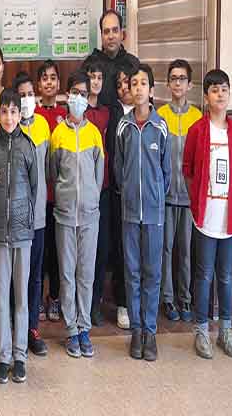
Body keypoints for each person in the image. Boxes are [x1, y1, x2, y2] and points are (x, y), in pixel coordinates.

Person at [183, 69, 232, 360]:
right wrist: (197, 203)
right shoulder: (197, 130)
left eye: (224, 89)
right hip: (205, 216)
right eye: (215, 90)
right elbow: (188, 170)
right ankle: (201, 330)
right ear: (206, 97)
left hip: (228, 217)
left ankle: (226, 331)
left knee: (226, 276)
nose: (220, 94)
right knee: (204, 274)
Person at [0, 89, 46, 384]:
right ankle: (4, 356)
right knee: (1, 297)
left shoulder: (28, 146)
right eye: (4, 111)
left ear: (20, 113)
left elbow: (35, 189)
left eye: (13, 111)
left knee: (21, 297)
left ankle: (20, 356)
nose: (9, 117)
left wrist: (25, 221)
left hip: (23, 233)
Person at [114, 64, 170, 362]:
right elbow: (119, 167)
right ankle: (136, 331)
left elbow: (166, 172)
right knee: (132, 272)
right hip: (129, 212)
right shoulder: (123, 126)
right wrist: (128, 192)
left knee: (153, 273)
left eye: (143, 83)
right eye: (133, 83)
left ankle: (151, 331)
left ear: (151, 90)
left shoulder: (160, 126)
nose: (138, 88)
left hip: (154, 213)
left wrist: (155, 195)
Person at [49, 71, 104, 359]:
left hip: (90, 216)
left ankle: (84, 328)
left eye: (83, 94)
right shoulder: (58, 134)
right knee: (67, 274)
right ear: (68, 95)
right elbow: (53, 172)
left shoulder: (94, 134)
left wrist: (91, 200)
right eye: (75, 93)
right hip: (65, 214)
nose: (79, 99)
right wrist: (64, 197)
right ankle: (71, 329)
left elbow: (99, 174)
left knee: (86, 274)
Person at [156, 59, 202, 323]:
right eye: (173, 78)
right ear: (167, 83)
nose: (177, 83)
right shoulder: (160, 115)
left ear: (190, 84)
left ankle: (185, 298)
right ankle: (168, 299)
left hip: (188, 197)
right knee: (166, 250)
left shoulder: (197, 117)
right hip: (165, 197)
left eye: (182, 78)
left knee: (185, 251)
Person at [11, 71, 52, 356]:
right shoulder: (8, 128)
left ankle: (32, 329)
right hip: (13, 219)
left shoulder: (43, 127)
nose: (26, 100)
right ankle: (13, 328)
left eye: (29, 95)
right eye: (21, 95)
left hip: (37, 217)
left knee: (35, 276)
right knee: (14, 277)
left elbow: (49, 169)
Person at [105, 66, 136, 330]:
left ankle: (140, 303)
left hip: (143, 197)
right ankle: (122, 303)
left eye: (129, 82)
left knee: (139, 252)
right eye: (120, 84)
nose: (125, 87)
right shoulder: (112, 114)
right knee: (119, 249)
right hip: (117, 193)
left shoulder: (148, 114)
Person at [35, 59, 66, 323]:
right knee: (40, 252)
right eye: (44, 78)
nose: (48, 82)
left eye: (53, 78)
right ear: (38, 84)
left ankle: (54, 297)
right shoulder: (31, 114)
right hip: (38, 198)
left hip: (60, 196)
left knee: (57, 252)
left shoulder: (65, 115)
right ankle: (37, 298)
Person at [83, 63, 112, 327]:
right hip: (81, 191)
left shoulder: (107, 112)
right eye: (92, 77)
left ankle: (95, 303)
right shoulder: (79, 112)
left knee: (100, 249)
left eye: (100, 77)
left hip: (102, 189)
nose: (96, 82)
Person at [81, 9, 140, 107]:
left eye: (115, 30)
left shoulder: (133, 63)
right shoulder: (90, 64)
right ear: (101, 36)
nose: (111, 36)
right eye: (106, 32)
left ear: (122, 34)